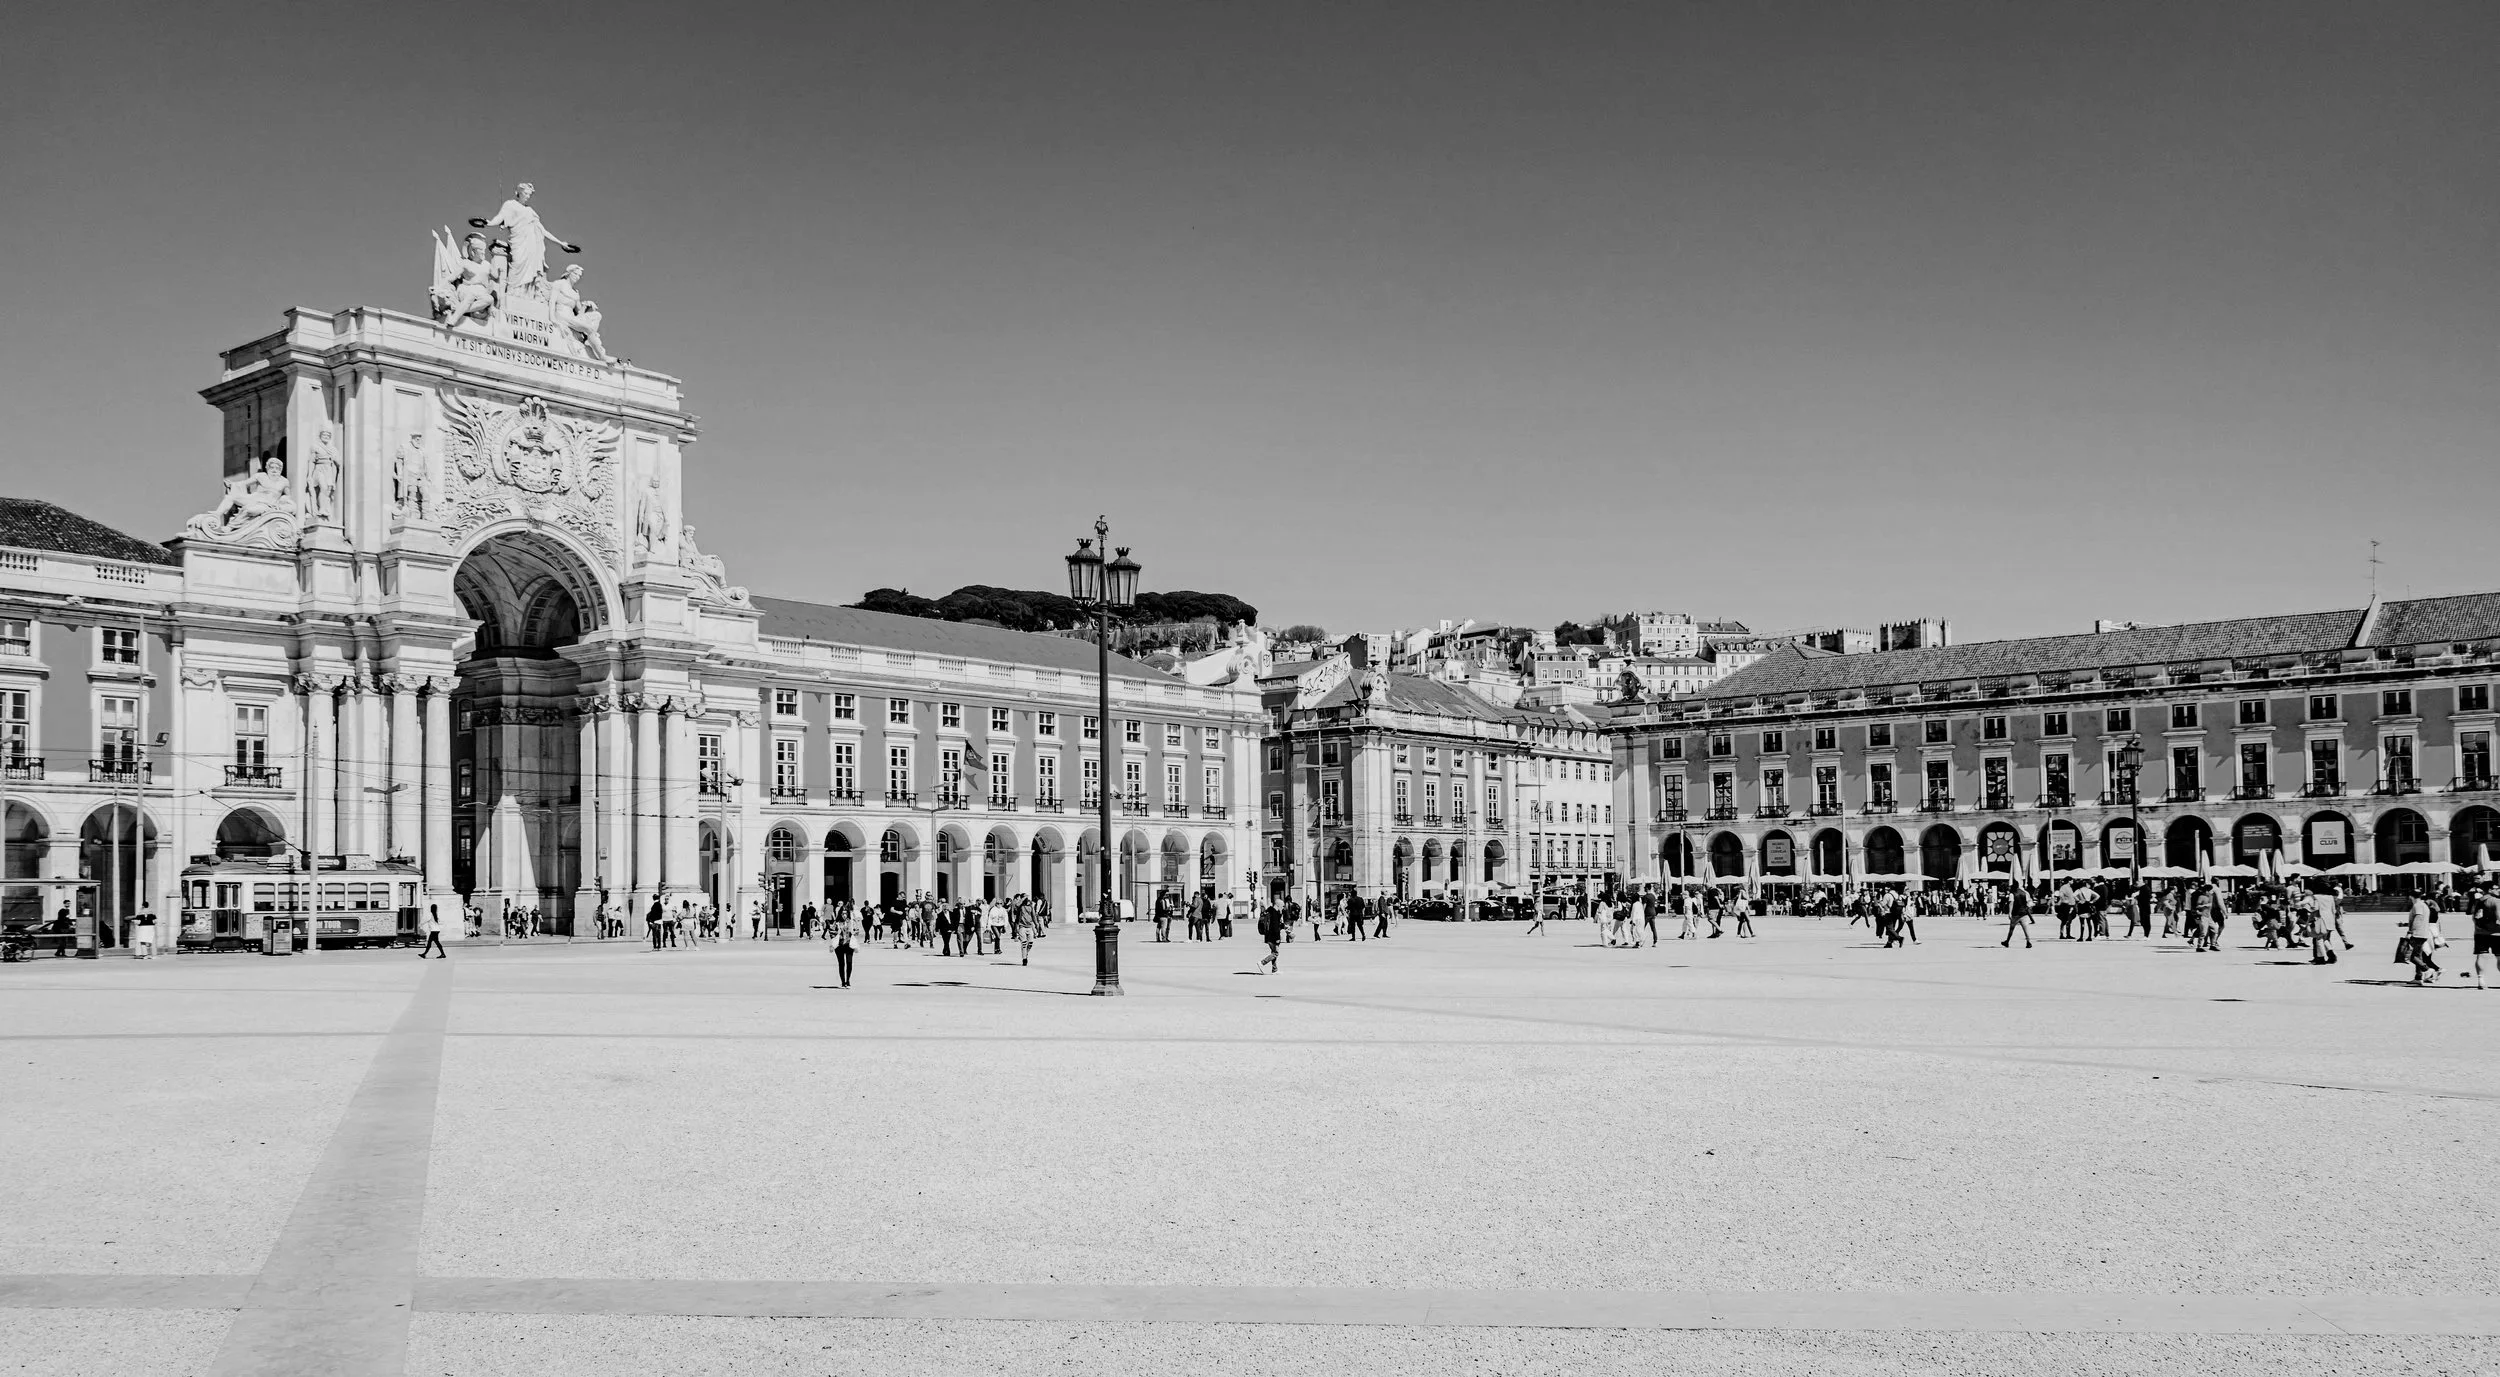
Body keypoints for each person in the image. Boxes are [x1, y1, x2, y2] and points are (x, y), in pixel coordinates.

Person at [2406, 891, 2444, 985]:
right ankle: (2418, 977)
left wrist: (2410, 932)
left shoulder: (2417, 905)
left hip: (2418, 934)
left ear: (2411, 896)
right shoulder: (2424, 905)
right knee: (2419, 956)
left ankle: (2427, 969)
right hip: (2424, 933)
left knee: (2411, 956)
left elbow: (2418, 919)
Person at [2471, 886, 2500, 990]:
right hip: (2496, 933)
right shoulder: (2496, 901)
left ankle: (2481, 980)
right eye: (2496, 888)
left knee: (2481, 956)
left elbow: (2474, 917)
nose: (2498, 890)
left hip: (2480, 933)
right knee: (2499, 957)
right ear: (2490, 890)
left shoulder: (2478, 902)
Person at [829, 905, 859, 988]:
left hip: (849, 945)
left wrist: (853, 932)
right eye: (843, 913)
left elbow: (857, 931)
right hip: (839, 946)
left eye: (846, 913)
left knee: (849, 963)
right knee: (841, 964)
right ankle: (843, 982)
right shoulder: (837, 922)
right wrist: (837, 933)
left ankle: (848, 980)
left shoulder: (851, 922)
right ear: (840, 914)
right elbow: (831, 933)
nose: (844, 915)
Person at [1257, 899, 1285, 973]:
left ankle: (1274, 969)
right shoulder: (1274, 914)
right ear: (1278, 905)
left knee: (1273, 952)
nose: (1283, 908)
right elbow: (1275, 927)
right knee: (1275, 953)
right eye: (1282, 906)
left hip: (1268, 936)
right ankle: (1262, 963)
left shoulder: (1270, 911)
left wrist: (1280, 915)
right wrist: (1277, 938)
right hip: (1273, 937)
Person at [2003, 884, 2034, 949]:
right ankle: (2028, 942)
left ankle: (2007, 942)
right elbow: (2029, 902)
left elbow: (2011, 903)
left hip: (2015, 914)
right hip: (2024, 914)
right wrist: (2027, 908)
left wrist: (2010, 913)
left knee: (2011, 929)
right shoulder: (2025, 893)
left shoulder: (2012, 894)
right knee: (2026, 929)